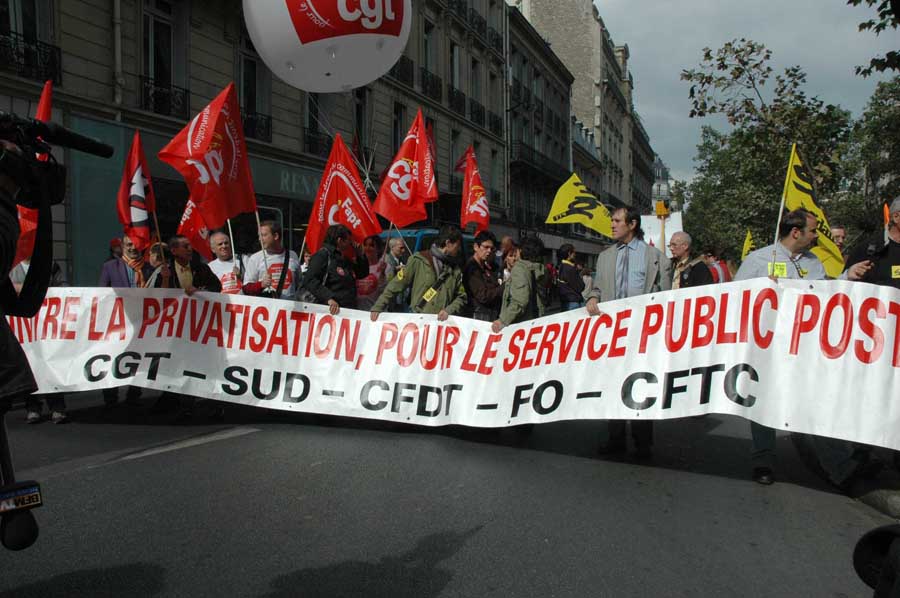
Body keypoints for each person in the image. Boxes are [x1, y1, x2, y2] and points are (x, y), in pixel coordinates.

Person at [736, 208, 870, 487]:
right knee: (764, 403)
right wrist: (762, 290)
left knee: (815, 401)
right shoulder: (759, 259)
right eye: (812, 231)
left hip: (803, 348)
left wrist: (847, 276)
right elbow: (737, 298)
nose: (815, 237)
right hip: (769, 346)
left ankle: (840, 466)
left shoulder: (813, 261)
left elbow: (824, 293)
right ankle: (763, 461)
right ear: (795, 232)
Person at [585, 206, 672, 460]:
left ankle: (643, 442)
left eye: (616, 221)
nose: (612, 225)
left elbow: (666, 298)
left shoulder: (655, 257)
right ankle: (615, 437)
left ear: (632, 224)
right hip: (612, 336)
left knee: (641, 386)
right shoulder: (604, 257)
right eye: (612, 220)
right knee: (613, 385)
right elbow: (597, 289)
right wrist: (592, 297)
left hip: (643, 335)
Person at [10, 258, 69, 424]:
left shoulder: (49, 264)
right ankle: (32, 408)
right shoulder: (11, 266)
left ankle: (57, 407)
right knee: (30, 366)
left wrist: (43, 291)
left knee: (50, 365)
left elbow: (64, 287)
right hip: (23, 328)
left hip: (46, 326)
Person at [98, 234, 153, 408]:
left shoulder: (149, 268)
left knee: (138, 358)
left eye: (135, 245)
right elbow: (101, 292)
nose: (132, 248)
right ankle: (110, 397)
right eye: (128, 245)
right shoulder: (110, 267)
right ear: (122, 246)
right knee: (113, 357)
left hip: (142, 322)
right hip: (119, 323)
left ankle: (134, 394)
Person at [370, 225, 467, 321]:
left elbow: (461, 297)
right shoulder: (418, 260)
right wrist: (378, 307)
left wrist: (448, 310)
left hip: (440, 328)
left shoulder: (455, 269)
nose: (458, 250)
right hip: (418, 323)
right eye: (457, 246)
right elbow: (396, 284)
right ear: (448, 243)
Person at [300, 224, 369, 315]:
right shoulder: (323, 255)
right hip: (329, 311)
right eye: (349, 240)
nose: (351, 244)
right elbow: (310, 280)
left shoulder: (343, 258)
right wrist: (328, 298)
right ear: (340, 241)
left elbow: (362, 273)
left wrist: (361, 256)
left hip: (347, 310)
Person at [492, 236, 547, 333]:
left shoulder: (520, 269)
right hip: (535, 321)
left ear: (520, 251)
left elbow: (520, 300)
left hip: (519, 326)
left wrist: (502, 320)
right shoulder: (540, 269)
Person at [243, 220, 301, 300]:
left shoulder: (292, 255)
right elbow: (246, 288)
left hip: (289, 309)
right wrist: (261, 285)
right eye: (259, 236)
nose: (260, 239)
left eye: (263, 235)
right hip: (267, 309)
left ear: (276, 236)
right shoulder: (255, 258)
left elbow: (299, 284)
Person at [463, 230, 503, 321]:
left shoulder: (487, 267)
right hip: (477, 318)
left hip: (489, 316)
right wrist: (503, 288)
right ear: (476, 247)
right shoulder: (471, 268)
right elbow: (483, 296)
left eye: (491, 248)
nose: (489, 251)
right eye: (486, 247)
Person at [356, 235, 388, 310]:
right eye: (365, 245)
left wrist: (382, 274)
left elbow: (386, 292)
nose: (367, 248)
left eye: (371, 245)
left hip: (374, 312)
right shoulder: (356, 266)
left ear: (378, 249)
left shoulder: (385, 266)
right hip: (357, 313)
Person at [556, 243, 585, 311]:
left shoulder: (561, 266)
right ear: (569, 253)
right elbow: (580, 287)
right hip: (573, 302)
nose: (575, 254)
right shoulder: (569, 268)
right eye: (574, 252)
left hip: (565, 301)